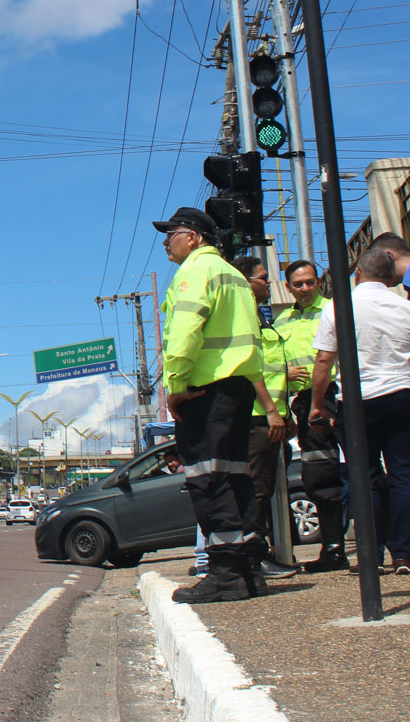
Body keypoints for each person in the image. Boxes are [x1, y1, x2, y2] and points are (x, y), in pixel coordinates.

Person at [309, 247, 410, 575]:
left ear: (357, 273)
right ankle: (404, 555)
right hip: (402, 395)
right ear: (389, 278)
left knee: (365, 476)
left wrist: (317, 404)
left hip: (358, 399)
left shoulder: (338, 308)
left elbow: (325, 360)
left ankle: (372, 555)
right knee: (402, 474)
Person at [154, 207, 267, 604]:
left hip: (205, 391)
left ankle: (224, 573)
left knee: (208, 479)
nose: (166, 241)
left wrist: (177, 387)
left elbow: (185, 333)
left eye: (172, 234)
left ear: (195, 237)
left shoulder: (194, 272)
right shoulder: (235, 276)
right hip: (239, 388)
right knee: (238, 477)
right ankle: (250, 569)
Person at [235, 255, 302, 578]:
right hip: (257, 417)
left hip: (272, 417)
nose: (268, 283)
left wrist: (283, 412)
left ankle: (259, 556)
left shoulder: (260, 317)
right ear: (246, 282)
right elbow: (252, 369)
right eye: (262, 278)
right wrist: (273, 411)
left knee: (265, 488)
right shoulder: (244, 315)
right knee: (257, 491)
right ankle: (253, 559)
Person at [277, 261, 344, 572]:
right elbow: (274, 363)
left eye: (309, 282)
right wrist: (283, 373)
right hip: (305, 404)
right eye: (297, 284)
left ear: (319, 282)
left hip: (339, 396)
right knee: (319, 477)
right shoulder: (283, 320)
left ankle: (384, 548)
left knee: (367, 471)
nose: (304, 288)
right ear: (288, 286)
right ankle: (333, 549)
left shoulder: (333, 309)